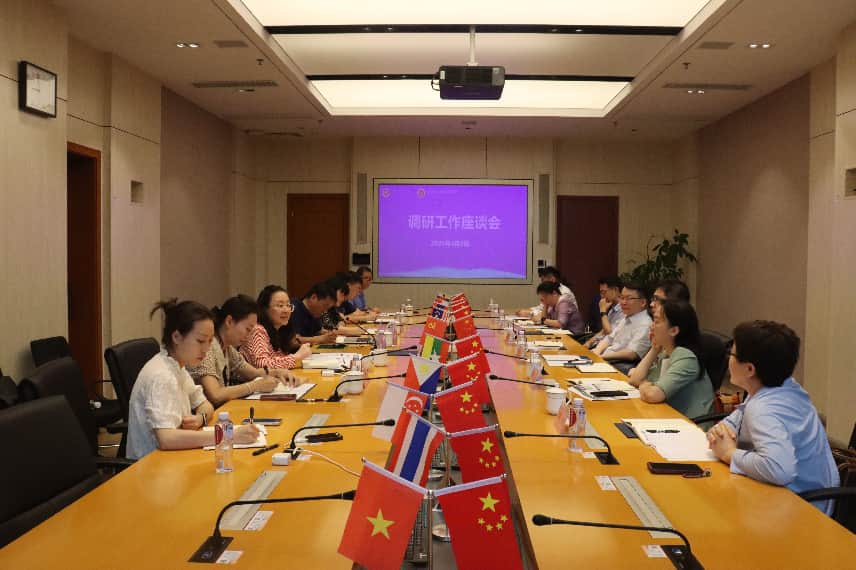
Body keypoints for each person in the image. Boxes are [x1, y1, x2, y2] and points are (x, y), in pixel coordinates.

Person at [707, 321, 839, 514]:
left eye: (732, 354)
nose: (729, 359)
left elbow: (779, 469)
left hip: (801, 508)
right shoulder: (779, 386)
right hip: (799, 495)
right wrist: (720, 433)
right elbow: (730, 423)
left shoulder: (763, 408)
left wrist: (729, 453)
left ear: (750, 369)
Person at [126, 299, 260, 460]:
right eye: (200, 341)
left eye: (210, 341)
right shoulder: (161, 375)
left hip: (175, 456)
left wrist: (200, 418)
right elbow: (166, 439)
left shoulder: (177, 366)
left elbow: (205, 405)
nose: (206, 349)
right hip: (151, 465)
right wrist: (227, 434)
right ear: (176, 337)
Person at [188, 295, 300, 407]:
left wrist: (276, 372)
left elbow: (253, 373)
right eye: (248, 329)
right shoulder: (208, 347)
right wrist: (255, 386)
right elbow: (215, 395)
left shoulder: (227, 348)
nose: (249, 335)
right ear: (229, 321)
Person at [627, 300, 714, 419]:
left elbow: (652, 395)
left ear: (673, 331)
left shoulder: (686, 357)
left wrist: (644, 384)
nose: (651, 326)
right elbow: (634, 380)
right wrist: (654, 349)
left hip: (690, 424)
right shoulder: (666, 352)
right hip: (667, 417)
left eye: (656, 321)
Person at [241, 285, 312, 370]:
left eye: (288, 305)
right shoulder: (258, 330)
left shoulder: (280, 329)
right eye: (280, 305)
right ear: (265, 309)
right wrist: (297, 357)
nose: (286, 310)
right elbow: (262, 365)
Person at [592, 282, 652, 373]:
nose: (623, 302)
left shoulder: (645, 324)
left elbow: (632, 353)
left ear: (643, 302)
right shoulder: (626, 317)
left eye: (628, 298)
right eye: (622, 298)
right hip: (604, 359)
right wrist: (597, 351)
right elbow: (609, 338)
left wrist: (602, 357)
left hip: (617, 365)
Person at [584, 276, 624, 348]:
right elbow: (604, 331)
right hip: (599, 346)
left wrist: (603, 311)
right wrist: (589, 342)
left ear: (616, 290)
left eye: (604, 292)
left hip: (610, 349)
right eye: (600, 292)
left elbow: (610, 333)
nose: (602, 296)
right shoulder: (612, 309)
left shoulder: (624, 310)